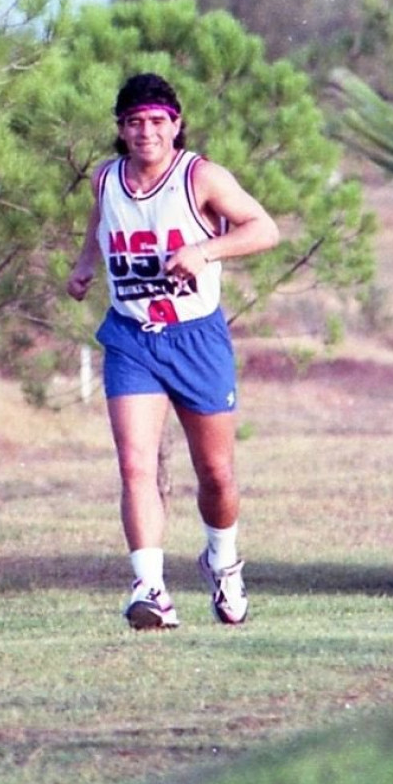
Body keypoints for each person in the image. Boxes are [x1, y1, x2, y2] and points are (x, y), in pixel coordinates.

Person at [66, 73, 280, 630]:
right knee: (135, 464)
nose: (146, 133)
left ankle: (223, 562)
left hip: (196, 339)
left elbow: (264, 229)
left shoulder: (200, 176)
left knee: (215, 473)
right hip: (131, 338)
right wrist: (86, 262)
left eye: (157, 122)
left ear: (176, 125)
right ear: (120, 129)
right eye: (134, 122)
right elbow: (100, 219)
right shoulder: (106, 178)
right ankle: (151, 589)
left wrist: (206, 250)